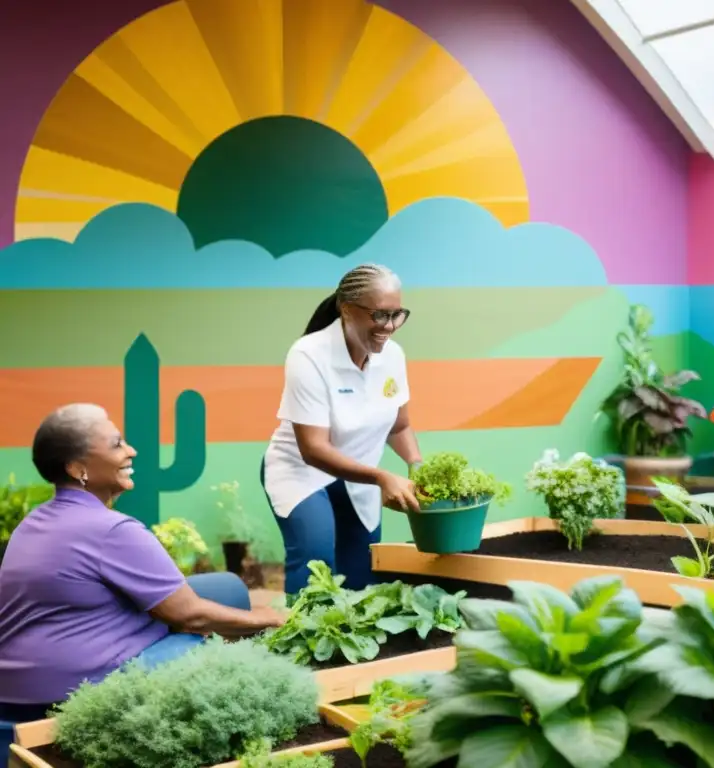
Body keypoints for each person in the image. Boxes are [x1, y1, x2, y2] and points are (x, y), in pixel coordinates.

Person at [0, 404, 285, 724]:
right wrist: (270, 619)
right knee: (203, 644)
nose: (131, 451)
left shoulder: (34, 522)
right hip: (69, 695)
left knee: (227, 589)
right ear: (78, 468)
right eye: (117, 444)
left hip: (14, 687)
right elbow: (191, 616)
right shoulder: (111, 530)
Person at [261, 263, 423, 596]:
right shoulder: (308, 355)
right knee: (315, 569)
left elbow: (399, 424)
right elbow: (314, 449)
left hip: (358, 476)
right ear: (346, 310)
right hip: (302, 471)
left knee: (363, 579)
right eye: (379, 315)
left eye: (397, 315)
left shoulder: (392, 356)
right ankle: (301, 645)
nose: (389, 327)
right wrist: (382, 477)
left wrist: (417, 465)